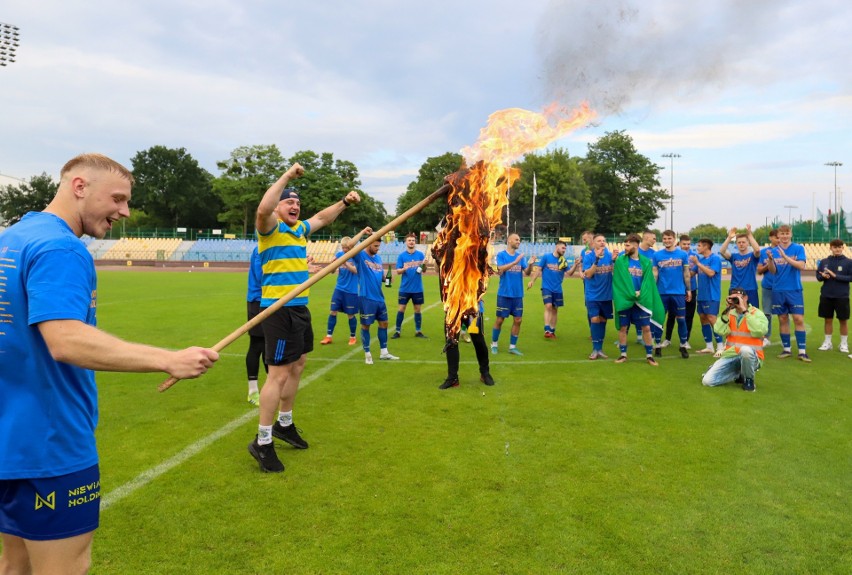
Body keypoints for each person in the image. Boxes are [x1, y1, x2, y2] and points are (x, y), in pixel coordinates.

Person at [0, 154, 218, 575]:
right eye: (117, 198)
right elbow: (64, 340)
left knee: (14, 565)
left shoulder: (11, 239)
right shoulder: (60, 246)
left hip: (9, 441)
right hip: (52, 444)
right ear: (79, 186)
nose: (125, 211)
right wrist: (167, 359)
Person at [248, 164, 361, 473]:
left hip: (299, 307)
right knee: (278, 375)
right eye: (289, 201)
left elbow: (323, 217)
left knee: (298, 365)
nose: (295, 206)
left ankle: (285, 423)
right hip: (278, 309)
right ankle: (263, 440)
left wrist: (344, 202)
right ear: (278, 207)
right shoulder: (269, 229)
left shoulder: (299, 231)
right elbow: (262, 208)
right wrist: (286, 176)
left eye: (297, 202)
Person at [701, 287, 768, 392]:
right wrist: (728, 309)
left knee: (745, 350)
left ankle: (749, 380)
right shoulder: (730, 314)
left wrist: (745, 311)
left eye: (739, 297)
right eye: (734, 298)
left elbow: (759, 331)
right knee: (707, 381)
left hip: (752, 356)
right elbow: (718, 330)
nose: (737, 300)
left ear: (746, 298)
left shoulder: (757, 313)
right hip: (731, 355)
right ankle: (739, 374)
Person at [612, 233, 664, 366]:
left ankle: (649, 356)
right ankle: (623, 355)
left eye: (628, 245)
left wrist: (640, 292)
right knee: (623, 327)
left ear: (635, 245)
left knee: (646, 327)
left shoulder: (646, 262)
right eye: (625, 245)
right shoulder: (620, 261)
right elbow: (618, 281)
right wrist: (630, 293)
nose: (626, 247)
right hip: (626, 300)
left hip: (641, 300)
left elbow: (648, 282)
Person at [765, 224, 810, 362]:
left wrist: (786, 257)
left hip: (794, 289)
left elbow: (801, 266)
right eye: (782, 234)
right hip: (778, 290)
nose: (784, 236)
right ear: (778, 236)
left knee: (798, 319)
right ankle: (787, 349)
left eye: (787, 233)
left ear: (791, 234)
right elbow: (772, 271)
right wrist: (771, 261)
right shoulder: (774, 250)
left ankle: (802, 352)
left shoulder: (798, 248)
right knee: (782, 319)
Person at [353, 234, 400, 365]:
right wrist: (363, 233)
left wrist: (388, 278)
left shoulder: (378, 258)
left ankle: (384, 352)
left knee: (384, 323)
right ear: (368, 244)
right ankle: (367, 354)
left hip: (379, 298)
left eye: (379, 246)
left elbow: (382, 278)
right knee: (365, 325)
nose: (377, 248)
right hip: (366, 297)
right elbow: (350, 245)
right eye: (375, 246)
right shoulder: (361, 256)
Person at [320, 230, 370, 346]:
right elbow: (332, 271)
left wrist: (345, 263)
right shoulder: (339, 255)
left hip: (351, 291)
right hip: (339, 288)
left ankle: (352, 337)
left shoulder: (356, 257)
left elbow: (356, 271)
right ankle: (328, 336)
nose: (344, 250)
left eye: (346, 248)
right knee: (333, 311)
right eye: (343, 247)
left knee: (350, 315)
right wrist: (332, 264)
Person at [491, 233, 535, 355]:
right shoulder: (501, 255)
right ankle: (494, 344)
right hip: (504, 293)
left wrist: (530, 264)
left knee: (518, 320)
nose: (518, 241)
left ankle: (512, 347)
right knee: (500, 320)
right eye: (516, 239)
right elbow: (500, 269)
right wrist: (515, 262)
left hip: (517, 294)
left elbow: (527, 272)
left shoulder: (521, 257)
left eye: (519, 240)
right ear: (509, 241)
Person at [652, 230, 692, 358]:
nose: (667, 241)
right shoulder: (657, 255)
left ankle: (683, 345)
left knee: (681, 319)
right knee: (659, 320)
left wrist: (689, 289)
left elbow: (686, 273)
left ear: (674, 240)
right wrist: (653, 290)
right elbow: (655, 274)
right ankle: (657, 346)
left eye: (669, 238)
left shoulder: (682, 254)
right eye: (664, 238)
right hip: (662, 293)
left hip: (678, 293)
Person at [440, 301, 495, 389]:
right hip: (453, 309)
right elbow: (444, 287)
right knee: (451, 342)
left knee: (479, 341)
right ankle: (452, 378)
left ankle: (485, 373)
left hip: (472, 308)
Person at [583, 233, 616, 359]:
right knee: (595, 319)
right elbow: (589, 274)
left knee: (603, 320)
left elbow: (615, 272)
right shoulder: (589, 256)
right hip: (592, 295)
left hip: (606, 295)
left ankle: (600, 349)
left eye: (604, 240)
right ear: (594, 243)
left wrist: (614, 261)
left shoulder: (609, 255)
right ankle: (595, 349)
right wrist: (596, 260)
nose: (602, 242)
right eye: (599, 240)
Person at [816, 239, 852, 353]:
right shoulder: (824, 261)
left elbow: (850, 278)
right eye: (835, 247)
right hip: (826, 295)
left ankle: (844, 344)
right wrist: (823, 276)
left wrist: (835, 276)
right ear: (830, 248)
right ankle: (827, 342)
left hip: (842, 296)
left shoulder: (848, 262)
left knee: (843, 320)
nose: (837, 249)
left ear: (843, 248)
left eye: (839, 247)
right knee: (827, 319)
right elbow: (818, 276)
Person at [527, 240, 569, 338]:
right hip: (546, 287)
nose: (564, 250)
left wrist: (577, 265)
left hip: (558, 289)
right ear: (557, 247)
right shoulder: (546, 257)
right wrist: (532, 280)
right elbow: (538, 270)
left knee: (555, 309)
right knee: (548, 306)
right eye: (563, 248)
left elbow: (570, 272)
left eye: (565, 249)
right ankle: (547, 329)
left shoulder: (563, 261)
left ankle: (552, 331)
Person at [690, 239, 725, 356]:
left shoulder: (715, 259)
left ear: (706, 247)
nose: (697, 248)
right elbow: (691, 273)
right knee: (703, 318)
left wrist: (698, 264)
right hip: (702, 295)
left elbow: (711, 273)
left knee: (712, 318)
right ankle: (709, 346)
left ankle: (721, 346)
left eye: (699, 246)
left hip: (712, 294)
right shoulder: (700, 260)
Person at [663, 234, 697, 348]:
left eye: (688, 244)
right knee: (671, 316)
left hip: (691, 289)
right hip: (676, 290)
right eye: (684, 244)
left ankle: (685, 340)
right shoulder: (673, 255)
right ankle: (667, 339)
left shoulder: (694, 257)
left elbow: (692, 273)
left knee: (688, 316)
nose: (686, 246)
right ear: (679, 244)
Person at [392, 232, 427, 338]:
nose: (411, 242)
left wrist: (424, 265)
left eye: (413, 240)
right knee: (401, 309)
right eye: (409, 240)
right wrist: (404, 269)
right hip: (405, 288)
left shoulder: (420, 255)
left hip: (417, 288)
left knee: (417, 309)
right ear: (406, 242)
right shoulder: (402, 256)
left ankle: (418, 331)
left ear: (415, 242)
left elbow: (423, 271)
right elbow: (398, 271)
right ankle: (397, 331)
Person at [719, 225, 761, 305]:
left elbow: (757, 250)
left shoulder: (752, 256)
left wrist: (749, 235)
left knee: (751, 314)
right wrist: (729, 238)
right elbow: (722, 251)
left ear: (748, 243)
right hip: (735, 289)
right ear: (736, 244)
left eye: (743, 242)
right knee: (734, 314)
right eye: (739, 242)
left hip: (750, 289)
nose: (741, 244)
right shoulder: (733, 257)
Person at [245, 245, 266, 406]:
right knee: (257, 344)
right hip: (258, 301)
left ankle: (271, 386)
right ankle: (252, 391)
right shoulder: (261, 248)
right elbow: (262, 276)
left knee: (269, 344)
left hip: (271, 301)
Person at [757, 229, 779, 346]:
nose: (779, 240)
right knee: (767, 313)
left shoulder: (784, 252)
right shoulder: (764, 252)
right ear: (770, 238)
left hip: (782, 287)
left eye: (780, 237)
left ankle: (784, 338)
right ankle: (766, 337)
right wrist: (770, 262)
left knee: (783, 314)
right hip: (768, 286)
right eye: (776, 237)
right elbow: (759, 270)